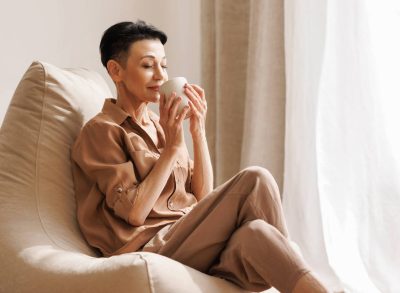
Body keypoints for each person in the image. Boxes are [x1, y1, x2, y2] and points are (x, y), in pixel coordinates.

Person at [71, 20, 329, 293]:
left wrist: (198, 132)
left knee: (257, 233)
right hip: (150, 246)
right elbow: (134, 212)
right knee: (256, 178)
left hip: (193, 237)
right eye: (148, 65)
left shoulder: (162, 125)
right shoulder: (102, 131)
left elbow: (203, 198)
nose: (161, 76)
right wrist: (171, 149)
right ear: (116, 71)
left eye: (164, 65)